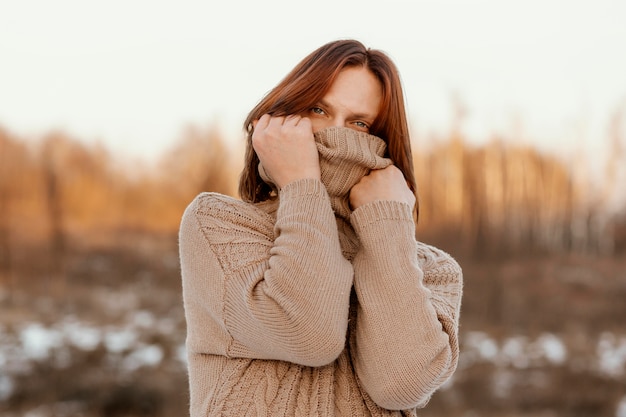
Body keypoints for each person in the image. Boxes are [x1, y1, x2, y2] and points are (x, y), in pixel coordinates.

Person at [179, 39, 463, 416]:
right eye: (318, 109)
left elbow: (401, 384)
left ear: (384, 141)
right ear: (282, 115)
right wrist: (301, 184)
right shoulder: (219, 225)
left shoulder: (433, 270)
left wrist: (388, 228)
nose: (335, 133)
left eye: (360, 123)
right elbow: (308, 332)